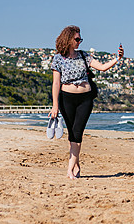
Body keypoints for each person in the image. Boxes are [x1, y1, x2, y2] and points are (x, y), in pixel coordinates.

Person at [49, 25, 123, 179]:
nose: (79, 42)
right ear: (68, 39)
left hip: (85, 99)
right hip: (66, 99)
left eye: (80, 39)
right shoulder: (58, 58)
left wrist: (117, 58)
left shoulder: (84, 56)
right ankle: (76, 164)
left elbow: (102, 67)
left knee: (77, 132)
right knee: (72, 134)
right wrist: (55, 105)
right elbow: (56, 83)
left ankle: (70, 169)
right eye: (77, 39)